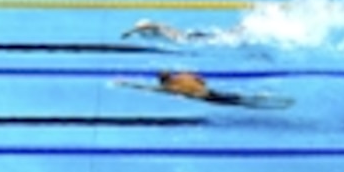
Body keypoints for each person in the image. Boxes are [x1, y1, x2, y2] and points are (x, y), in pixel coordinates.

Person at [116, 70, 293, 109]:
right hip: (210, 91)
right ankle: (268, 99)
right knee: (240, 98)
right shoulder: (185, 75)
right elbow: (202, 80)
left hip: (206, 98)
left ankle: (269, 104)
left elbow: (150, 89)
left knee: (241, 103)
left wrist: (127, 84)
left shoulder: (169, 87)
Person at [121, 20, 218, 43]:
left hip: (186, 37)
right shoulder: (158, 27)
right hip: (186, 36)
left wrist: (129, 32)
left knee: (216, 37)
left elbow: (147, 26)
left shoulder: (156, 27)